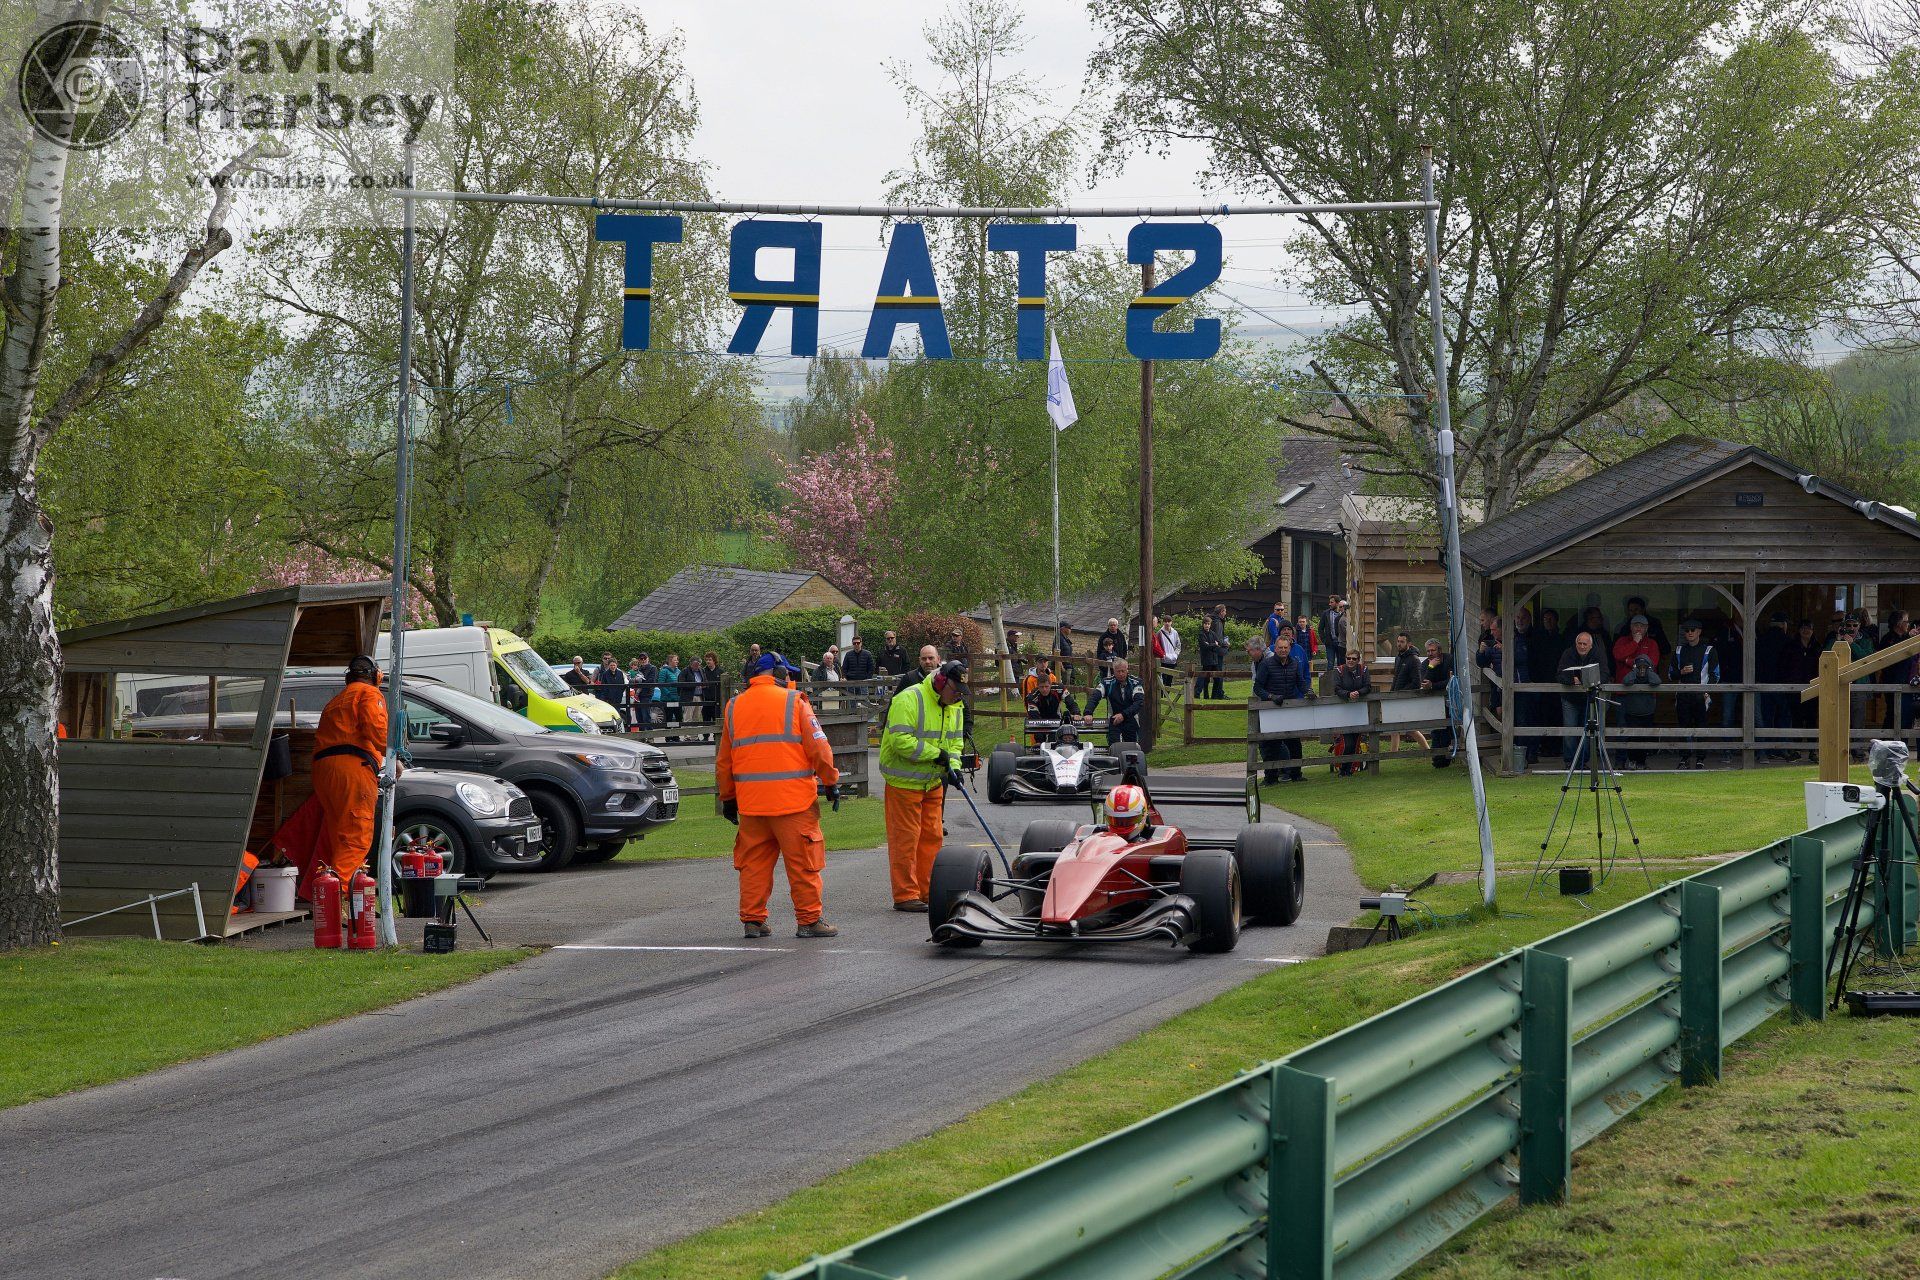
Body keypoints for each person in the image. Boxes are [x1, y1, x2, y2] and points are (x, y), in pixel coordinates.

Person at [717, 652, 841, 939]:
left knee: (754, 865)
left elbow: (724, 760)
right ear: (778, 673)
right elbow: (819, 748)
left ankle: (753, 920)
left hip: (752, 805)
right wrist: (831, 781)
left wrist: (728, 798)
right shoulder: (794, 702)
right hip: (793, 802)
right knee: (803, 865)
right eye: (788, 673)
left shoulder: (734, 706)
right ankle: (809, 921)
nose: (791, 678)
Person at [879, 659, 967, 911]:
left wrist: (955, 768)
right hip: (903, 782)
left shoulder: (955, 705)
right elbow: (900, 741)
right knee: (906, 840)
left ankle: (928, 891)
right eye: (956, 691)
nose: (959, 697)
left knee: (932, 837)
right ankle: (906, 895)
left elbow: (955, 743)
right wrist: (935, 754)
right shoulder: (909, 699)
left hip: (932, 782)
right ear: (941, 683)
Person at [312, 655, 390, 887]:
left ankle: (339, 900)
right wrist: (394, 753)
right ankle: (337, 897)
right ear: (376, 676)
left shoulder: (337, 700)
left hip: (324, 771)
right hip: (352, 768)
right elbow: (376, 730)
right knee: (356, 835)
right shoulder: (369, 693)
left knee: (340, 836)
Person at [1253, 634, 1310, 782]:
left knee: (1294, 744)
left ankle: (1296, 774)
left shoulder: (1294, 664)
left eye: (1285, 647)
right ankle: (1270, 778)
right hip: (1272, 709)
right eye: (1280, 648)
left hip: (1289, 709)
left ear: (1289, 648)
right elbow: (1258, 688)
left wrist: (1308, 692)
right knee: (1272, 744)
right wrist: (1271, 696)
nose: (1283, 650)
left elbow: (1300, 683)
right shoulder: (1267, 664)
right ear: (1275, 648)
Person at [1669, 618, 1718, 769]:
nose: (1689, 632)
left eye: (1693, 630)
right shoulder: (1679, 650)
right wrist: (1681, 672)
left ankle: (1700, 758)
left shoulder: (1709, 650)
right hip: (1683, 694)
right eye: (1687, 630)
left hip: (1701, 695)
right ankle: (1684, 758)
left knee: (1701, 726)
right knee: (1683, 726)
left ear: (1699, 632)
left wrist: (1706, 691)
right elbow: (1671, 674)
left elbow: (1716, 675)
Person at [1557, 630, 1601, 771]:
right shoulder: (1568, 654)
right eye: (1579, 643)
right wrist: (1571, 680)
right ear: (1576, 644)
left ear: (1591, 646)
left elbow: (1605, 673)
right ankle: (1570, 761)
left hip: (1590, 699)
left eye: (1585, 644)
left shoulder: (1597, 655)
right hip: (1570, 698)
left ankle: (1583, 761)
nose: (1582, 647)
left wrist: (1589, 681)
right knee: (1570, 730)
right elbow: (1560, 674)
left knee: (1588, 731)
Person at [1754, 611, 1792, 760]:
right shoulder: (1787, 641)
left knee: (1766, 717)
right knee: (1784, 715)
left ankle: (1765, 750)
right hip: (1782, 685)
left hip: (1764, 683)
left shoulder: (1761, 640)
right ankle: (1782, 748)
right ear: (1783, 625)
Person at [1087, 657, 1147, 746]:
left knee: (1132, 748)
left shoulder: (1136, 682)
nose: (1121, 674)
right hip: (1113, 719)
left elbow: (1139, 702)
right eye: (1118, 671)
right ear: (1113, 671)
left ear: (1127, 670)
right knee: (1114, 746)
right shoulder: (1106, 682)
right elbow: (1095, 697)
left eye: (1123, 671)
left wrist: (1123, 715)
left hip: (1131, 718)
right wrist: (1088, 712)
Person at [1387, 630, 1429, 753]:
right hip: (1395, 697)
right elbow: (1396, 678)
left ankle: (1427, 750)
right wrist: (1392, 693)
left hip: (1406, 698)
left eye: (1402, 642)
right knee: (1393, 727)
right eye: (1398, 641)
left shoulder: (1414, 660)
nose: (1399, 644)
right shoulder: (1398, 658)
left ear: (1409, 644)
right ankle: (1393, 753)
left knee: (1410, 728)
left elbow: (1416, 682)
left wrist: (1401, 693)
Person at [1331, 650, 1371, 775]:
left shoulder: (1364, 669)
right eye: (1349, 658)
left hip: (1359, 711)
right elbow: (1337, 688)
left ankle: (1350, 769)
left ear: (1358, 660)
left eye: (1354, 659)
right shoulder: (1339, 670)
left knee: (1355, 742)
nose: (1351, 661)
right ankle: (1343, 769)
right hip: (1344, 711)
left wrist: (1359, 693)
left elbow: (1368, 686)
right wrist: (1348, 694)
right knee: (1347, 743)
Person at [1619, 653, 1661, 769]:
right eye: (1640, 667)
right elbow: (1626, 681)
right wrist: (1634, 671)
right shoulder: (1633, 675)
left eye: (1644, 667)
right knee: (1632, 737)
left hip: (1647, 712)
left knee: (1644, 737)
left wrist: (1649, 671)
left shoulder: (1650, 675)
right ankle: (1632, 760)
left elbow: (1656, 681)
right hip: (1632, 712)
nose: (1642, 670)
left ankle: (1642, 762)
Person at [1421, 638, 1455, 766]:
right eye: (1428, 651)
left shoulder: (1448, 659)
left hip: (1449, 700)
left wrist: (1434, 686)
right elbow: (1424, 682)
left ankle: (1446, 758)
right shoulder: (1425, 664)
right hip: (1433, 702)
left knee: (1447, 729)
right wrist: (1431, 667)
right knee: (1436, 730)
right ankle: (1437, 760)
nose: (1430, 653)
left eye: (1433, 650)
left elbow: (1451, 681)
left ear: (1439, 650)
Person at [1785, 619, 1821, 736]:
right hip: (1795, 688)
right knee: (1797, 717)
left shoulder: (1817, 647)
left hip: (1813, 687)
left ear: (1813, 630)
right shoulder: (1791, 646)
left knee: (1812, 717)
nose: (1806, 630)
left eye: (1809, 628)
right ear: (1799, 630)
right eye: (1803, 628)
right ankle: (1796, 747)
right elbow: (1785, 666)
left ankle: (1811, 749)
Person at [1611, 614, 1660, 682]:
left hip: (1647, 686)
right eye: (1636, 626)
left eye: (1642, 626)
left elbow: (1652, 663)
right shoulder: (1622, 640)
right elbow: (1618, 655)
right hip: (1624, 686)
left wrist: (1628, 661)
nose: (1638, 629)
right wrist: (1635, 643)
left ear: (1646, 628)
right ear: (1631, 627)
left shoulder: (1652, 643)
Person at [1197, 614, 1227, 699]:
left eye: (1208, 624)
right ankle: (1205, 696)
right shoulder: (1201, 634)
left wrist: (1212, 644)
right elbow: (1205, 646)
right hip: (1206, 659)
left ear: (1210, 625)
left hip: (1214, 659)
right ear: (1203, 624)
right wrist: (1214, 644)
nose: (1207, 625)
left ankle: (1214, 696)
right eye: (1205, 624)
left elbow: (1218, 643)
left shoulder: (1213, 633)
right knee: (1206, 679)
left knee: (1217, 678)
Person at [594, 652, 627, 726]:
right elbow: (604, 687)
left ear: (616, 665)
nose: (613, 667)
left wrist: (620, 695)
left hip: (617, 699)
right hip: (608, 699)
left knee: (617, 716)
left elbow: (622, 685)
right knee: (609, 717)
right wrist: (606, 697)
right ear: (609, 666)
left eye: (614, 665)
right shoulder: (605, 674)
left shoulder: (620, 673)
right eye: (611, 665)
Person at [698, 652, 723, 741]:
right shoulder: (703, 671)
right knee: (706, 719)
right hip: (706, 699)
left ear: (714, 661)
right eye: (707, 660)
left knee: (716, 719)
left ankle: (716, 736)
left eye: (710, 660)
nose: (708, 662)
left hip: (717, 700)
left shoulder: (720, 672)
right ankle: (705, 736)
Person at [1152, 616, 1181, 690]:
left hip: (1173, 660)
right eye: (1165, 621)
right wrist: (1163, 655)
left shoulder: (1175, 632)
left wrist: (1176, 655)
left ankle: (1167, 694)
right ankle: (1163, 695)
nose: (1167, 623)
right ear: (1163, 622)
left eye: (1169, 621)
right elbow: (1157, 645)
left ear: (1171, 622)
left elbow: (1178, 645)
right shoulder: (1159, 633)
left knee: (1170, 679)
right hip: (1164, 659)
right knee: (1164, 678)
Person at [1321, 597, 1348, 674]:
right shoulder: (1326, 613)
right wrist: (1324, 640)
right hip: (1330, 642)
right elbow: (1321, 628)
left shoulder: (1343, 615)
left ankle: (1340, 680)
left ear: (1337, 603)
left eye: (1331, 602)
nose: (1329, 604)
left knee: (1341, 662)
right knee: (1330, 663)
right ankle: (1329, 683)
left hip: (1340, 642)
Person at [658, 653, 683, 734]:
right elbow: (661, 684)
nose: (677, 661)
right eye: (675, 660)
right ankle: (668, 737)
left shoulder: (679, 671)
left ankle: (676, 736)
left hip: (677, 698)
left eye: (677, 660)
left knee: (678, 717)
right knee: (669, 718)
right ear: (670, 661)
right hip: (668, 699)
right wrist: (668, 694)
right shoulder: (664, 671)